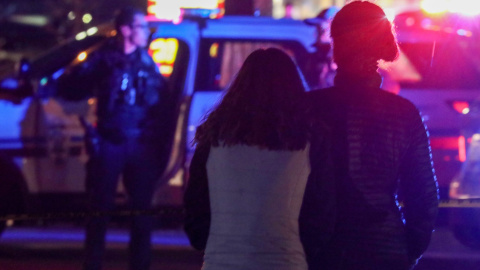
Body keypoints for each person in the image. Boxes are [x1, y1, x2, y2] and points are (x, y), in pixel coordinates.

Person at [302, 1, 439, 270]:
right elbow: (423, 197)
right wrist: (407, 248)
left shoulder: (307, 108)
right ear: (384, 44)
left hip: (321, 252)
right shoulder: (403, 114)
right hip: (385, 249)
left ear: (336, 46)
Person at [183, 48, 333, 270]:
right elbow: (322, 211)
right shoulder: (309, 138)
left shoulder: (213, 137)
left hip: (222, 262)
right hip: (285, 262)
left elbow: (196, 208)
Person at [59, 6, 169, 270]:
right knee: (100, 210)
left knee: (142, 213)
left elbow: (161, 100)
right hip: (110, 142)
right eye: (141, 27)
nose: (146, 32)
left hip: (141, 143)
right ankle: (93, 264)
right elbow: (70, 87)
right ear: (126, 29)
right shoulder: (103, 59)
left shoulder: (147, 61)